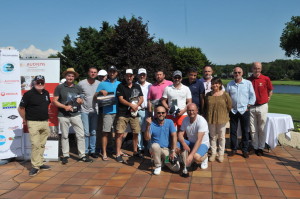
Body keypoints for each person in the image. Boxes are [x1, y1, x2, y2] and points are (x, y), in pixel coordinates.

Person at [53, 68, 93, 164]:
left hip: (75, 114)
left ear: (74, 77)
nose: (70, 77)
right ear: (65, 76)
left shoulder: (78, 88)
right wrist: (64, 107)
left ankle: (82, 155)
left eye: (72, 76)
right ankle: (65, 155)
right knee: (65, 136)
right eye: (68, 75)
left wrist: (80, 101)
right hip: (63, 115)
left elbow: (81, 99)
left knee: (80, 135)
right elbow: (54, 101)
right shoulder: (59, 87)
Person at [18, 75, 51, 176]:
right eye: (38, 82)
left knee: (42, 144)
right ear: (34, 83)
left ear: (44, 83)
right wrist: (25, 119)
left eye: (42, 82)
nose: (40, 84)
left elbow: (46, 105)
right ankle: (35, 166)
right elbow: (20, 109)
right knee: (35, 145)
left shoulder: (46, 93)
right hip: (33, 123)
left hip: (45, 122)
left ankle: (40, 163)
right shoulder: (28, 94)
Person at [226, 67, 256, 158]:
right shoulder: (230, 84)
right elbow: (227, 97)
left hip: (244, 110)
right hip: (233, 111)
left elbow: (252, 96)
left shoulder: (248, 83)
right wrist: (229, 106)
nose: (237, 74)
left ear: (242, 73)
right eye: (235, 72)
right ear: (233, 73)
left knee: (245, 131)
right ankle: (234, 149)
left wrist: (249, 105)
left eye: (239, 72)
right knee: (233, 131)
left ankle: (245, 150)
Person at [115, 69, 144, 162]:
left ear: (133, 76)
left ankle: (135, 151)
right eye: (127, 75)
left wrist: (136, 106)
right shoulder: (120, 86)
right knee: (120, 134)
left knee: (136, 133)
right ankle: (118, 153)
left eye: (130, 75)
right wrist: (131, 105)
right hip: (123, 113)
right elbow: (121, 99)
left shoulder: (137, 86)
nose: (129, 77)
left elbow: (141, 98)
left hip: (134, 113)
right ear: (125, 76)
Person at [145, 106, 180, 175]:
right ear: (155, 114)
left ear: (165, 113)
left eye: (163, 112)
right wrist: (148, 125)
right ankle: (158, 165)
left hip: (166, 149)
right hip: (156, 149)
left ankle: (164, 161)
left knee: (176, 168)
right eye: (158, 113)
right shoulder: (151, 124)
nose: (161, 114)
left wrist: (173, 151)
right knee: (155, 146)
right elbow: (147, 138)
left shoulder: (170, 122)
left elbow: (174, 136)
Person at [95, 66, 120, 161]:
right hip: (107, 112)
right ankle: (104, 152)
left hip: (118, 112)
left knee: (118, 133)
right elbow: (95, 97)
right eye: (110, 71)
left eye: (114, 71)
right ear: (108, 73)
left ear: (116, 73)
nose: (112, 73)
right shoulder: (102, 84)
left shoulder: (120, 83)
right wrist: (100, 91)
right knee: (105, 132)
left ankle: (118, 151)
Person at [248, 62, 273, 156]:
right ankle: (255, 146)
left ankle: (261, 147)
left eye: (258, 68)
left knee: (261, 128)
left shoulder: (266, 78)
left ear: (261, 69)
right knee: (252, 128)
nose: (257, 70)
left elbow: (270, 90)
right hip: (251, 107)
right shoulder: (248, 80)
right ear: (252, 69)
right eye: (255, 68)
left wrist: (268, 98)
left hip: (262, 106)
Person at [177, 103, 210, 176]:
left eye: (193, 110)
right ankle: (181, 159)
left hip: (202, 144)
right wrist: (184, 143)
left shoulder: (201, 121)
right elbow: (180, 134)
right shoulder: (185, 119)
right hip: (190, 142)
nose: (191, 112)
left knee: (196, 157)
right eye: (189, 110)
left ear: (197, 111)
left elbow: (199, 140)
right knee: (176, 145)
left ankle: (204, 157)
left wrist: (191, 155)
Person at [204, 77, 232, 163]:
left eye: (217, 83)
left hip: (221, 118)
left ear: (220, 84)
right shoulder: (208, 95)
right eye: (213, 83)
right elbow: (206, 106)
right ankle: (213, 153)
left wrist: (223, 113)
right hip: (211, 118)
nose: (215, 85)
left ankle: (221, 154)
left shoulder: (225, 94)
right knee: (212, 136)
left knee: (221, 137)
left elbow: (229, 106)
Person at [78, 67, 100, 158]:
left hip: (95, 111)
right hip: (84, 111)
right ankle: (86, 151)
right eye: (91, 72)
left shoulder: (99, 84)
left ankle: (93, 150)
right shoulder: (81, 83)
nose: (93, 73)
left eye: (95, 72)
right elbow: (77, 94)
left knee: (93, 132)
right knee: (86, 132)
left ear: (97, 74)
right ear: (88, 73)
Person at [136, 68, 152, 156]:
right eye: (140, 75)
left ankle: (150, 148)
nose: (142, 76)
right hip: (138, 110)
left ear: (146, 75)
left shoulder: (150, 85)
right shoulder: (134, 85)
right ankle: (140, 148)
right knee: (138, 130)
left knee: (148, 128)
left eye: (143, 74)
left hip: (148, 110)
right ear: (138, 75)